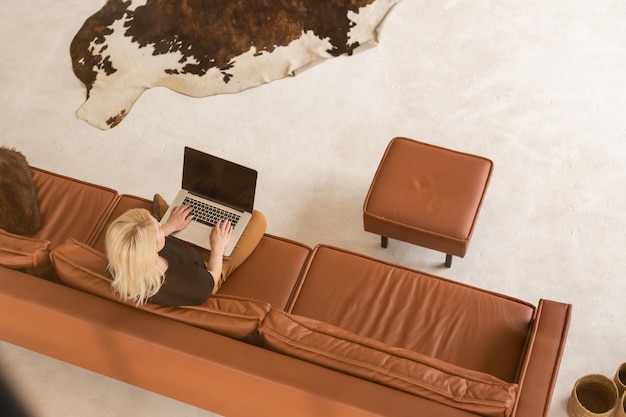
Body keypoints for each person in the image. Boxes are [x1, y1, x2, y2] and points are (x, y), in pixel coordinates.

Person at [105, 195, 266, 306]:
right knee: (258, 219)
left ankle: (171, 218)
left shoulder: (120, 260)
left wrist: (170, 226)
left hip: (183, 253)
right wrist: (218, 247)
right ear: (149, 249)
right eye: (159, 227)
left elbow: (135, 243)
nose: (162, 225)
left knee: (177, 218)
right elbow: (211, 277)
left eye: (157, 222)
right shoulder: (193, 285)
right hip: (206, 270)